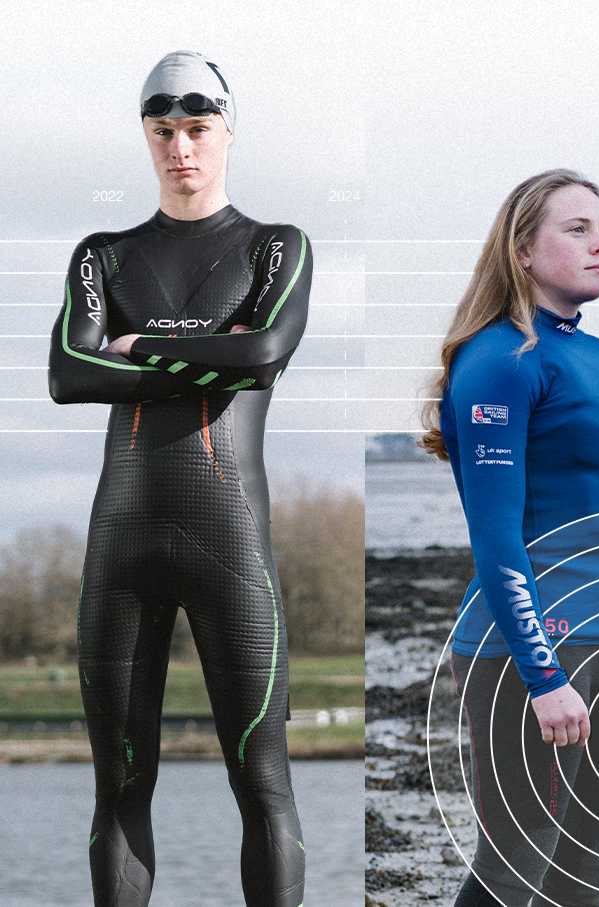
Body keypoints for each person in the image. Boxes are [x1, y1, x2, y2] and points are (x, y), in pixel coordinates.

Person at [45, 51, 311, 907]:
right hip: (118, 549)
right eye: (163, 131)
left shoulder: (276, 247)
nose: (180, 149)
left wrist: (134, 349)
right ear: (146, 138)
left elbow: (264, 353)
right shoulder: (104, 256)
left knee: (262, 787)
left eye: (197, 129)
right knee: (118, 791)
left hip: (229, 546)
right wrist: (209, 358)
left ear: (227, 130)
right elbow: (67, 374)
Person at [419, 169, 599, 907]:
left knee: (582, 879)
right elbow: (496, 539)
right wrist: (544, 677)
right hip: (527, 648)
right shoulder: (499, 360)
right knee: (513, 869)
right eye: (576, 229)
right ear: (521, 250)